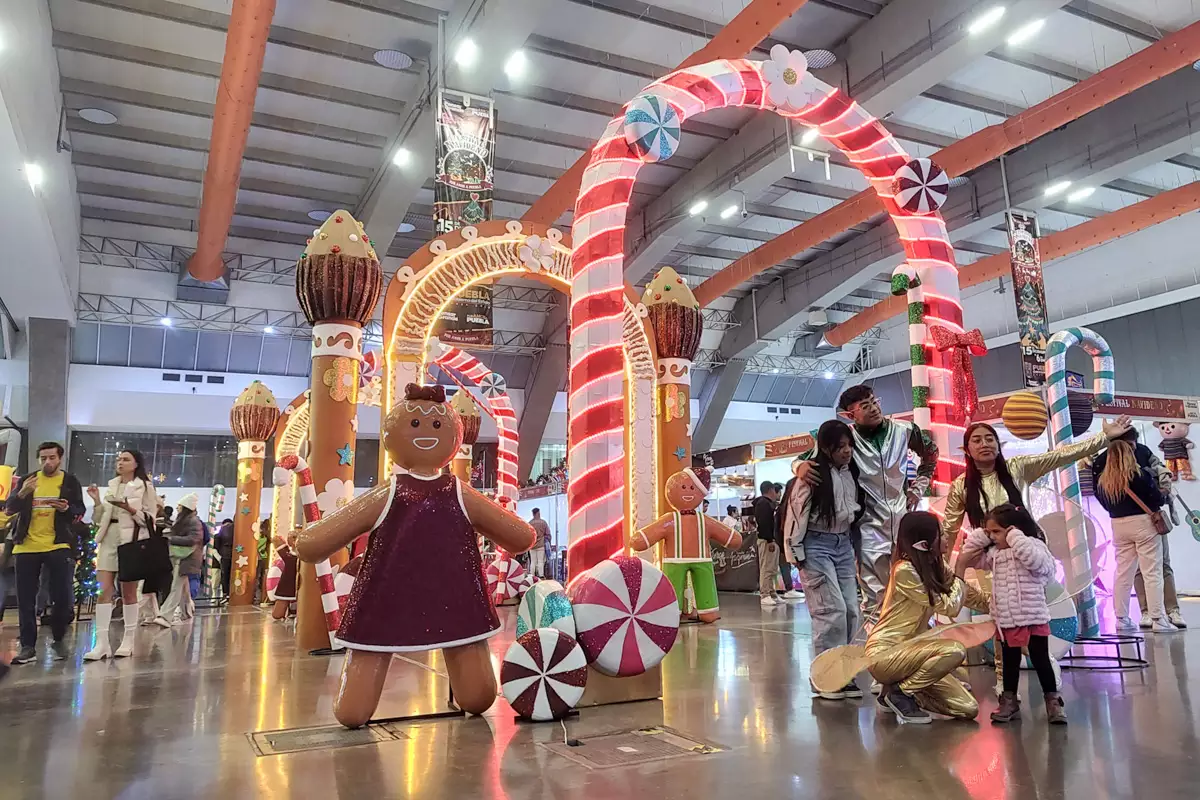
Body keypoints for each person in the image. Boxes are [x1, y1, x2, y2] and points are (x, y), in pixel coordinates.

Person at [796, 385, 939, 622]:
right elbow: (804, 459)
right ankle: (879, 642)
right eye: (864, 406)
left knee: (917, 585)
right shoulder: (846, 439)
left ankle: (921, 636)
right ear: (849, 415)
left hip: (904, 522)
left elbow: (931, 454)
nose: (873, 408)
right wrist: (798, 467)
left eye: (874, 401)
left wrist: (918, 488)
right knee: (875, 594)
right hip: (867, 526)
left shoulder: (904, 430)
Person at [866, 511, 988, 724]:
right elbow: (950, 607)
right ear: (924, 543)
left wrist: (1001, 604)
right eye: (940, 534)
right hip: (886, 654)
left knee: (968, 708)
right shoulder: (904, 570)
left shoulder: (936, 567)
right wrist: (961, 567)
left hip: (916, 654)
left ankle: (896, 691)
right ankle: (901, 693)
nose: (947, 537)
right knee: (955, 650)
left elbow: (967, 595)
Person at [940, 418, 1131, 549]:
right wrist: (940, 572)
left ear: (998, 446)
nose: (984, 444)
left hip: (1029, 550)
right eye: (977, 440)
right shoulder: (961, 486)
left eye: (990, 439)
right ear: (967, 450)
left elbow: (1061, 455)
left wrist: (1103, 438)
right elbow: (949, 531)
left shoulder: (1018, 467)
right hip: (988, 559)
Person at [781, 420, 866, 700]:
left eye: (849, 445)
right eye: (840, 447)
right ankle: (825, 678)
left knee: (852, 610)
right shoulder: (812, 474)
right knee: (831, 611)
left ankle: (844, 674)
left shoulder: (852, 471)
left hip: (843, 544)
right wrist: (795, 552)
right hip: (815, 545)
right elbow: (796, 513)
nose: (846, 451)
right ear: (827, 448)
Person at [960, 504, 1066, 725]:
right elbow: (971, 557)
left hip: (1033, 615)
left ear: (1013, 530)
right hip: (1007, 618)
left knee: (1041, 659)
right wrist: (982, 535)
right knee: (1010, 661)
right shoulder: (995, 554)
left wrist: (1016, 538)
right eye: (989, 532)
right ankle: (1009, 701)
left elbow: (1040, 565)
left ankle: (1053, 702)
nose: (993, 536)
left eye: (997, 531)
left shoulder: (1034, 546)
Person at [5, 442, 86, 664]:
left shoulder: (69, 481)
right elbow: (9, 508)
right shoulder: (28, 480)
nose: (47, 462)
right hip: (26, 546)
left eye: (51, 458)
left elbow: (79, 510)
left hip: (58, 545)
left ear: (60, 458)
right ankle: (28, 647)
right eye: (43, 458)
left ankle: (58, 638)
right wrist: (23, 493)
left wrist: (66, 509)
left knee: (62, 597)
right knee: (26, 599)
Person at [1092, 433, 1179, 633]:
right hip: (1143, 523)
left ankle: (1121, 619)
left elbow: (1104, 502)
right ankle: (1158, 619)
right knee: (1152, 572)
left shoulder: (1104, 481)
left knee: (1123, 573)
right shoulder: (1139, 476)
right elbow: (1157, 499)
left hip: (1118, 524)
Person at [83, 449, 158, 660]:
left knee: (129, 593)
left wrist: (129, 509)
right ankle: (102, 643)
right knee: (103, 591)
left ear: (136, 464)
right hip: (108, 539)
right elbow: (99, 518)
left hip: (130, 542)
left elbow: (150, 520)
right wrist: (97, 501)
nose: (120, 462)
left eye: (125, 459)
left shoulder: (145, 487)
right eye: (118, 459)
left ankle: (128, 640)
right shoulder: (112, 485)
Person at [160, 493, 203, 625]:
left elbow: (194, 539)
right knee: (183, 588)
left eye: (179, 506)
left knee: (176, 586)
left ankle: (165, 616)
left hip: (186, 558)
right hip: (184, 557)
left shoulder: (192, 521)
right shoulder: (185, 520)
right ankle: (187, 612)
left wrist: (171, 539)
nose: (177, 508)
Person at [753, 481, 783, 608]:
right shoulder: (763, 504)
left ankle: (772, 592)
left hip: (772, 540)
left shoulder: (767, 504)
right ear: (771, 490)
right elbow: (765, 523)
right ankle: (765, 594)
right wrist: (770, 540)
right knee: (766, 568)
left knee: (772, 568)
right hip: (766, 541)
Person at [214, 518, 234, 599]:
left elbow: (215, 547)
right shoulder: (236, 530)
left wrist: (219, 557)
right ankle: (231, 593)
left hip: (224, 555)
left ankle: (225, 594)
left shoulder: (220, 533)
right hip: (235, 554)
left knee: (225, 576)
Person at [528, 508, 550, 579]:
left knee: (533, 561)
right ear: (538, 513)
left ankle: (531, 576)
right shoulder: (543, 522)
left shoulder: (530, 523)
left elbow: (528, 535)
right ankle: (541, 576)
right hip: (541, 545)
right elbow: (548, 534)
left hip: (532, 546)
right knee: (540, 561)